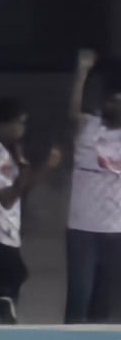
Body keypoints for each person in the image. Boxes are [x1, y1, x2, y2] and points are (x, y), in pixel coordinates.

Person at [0, 101, 56, 323]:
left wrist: (36, 168)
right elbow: (7, 198)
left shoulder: (4, 154)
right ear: (4, 125)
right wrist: (36, 170)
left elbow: (22, 186)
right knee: (13, 274)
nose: (22, 130)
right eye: (19, 123)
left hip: (4, 231)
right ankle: (2, 309)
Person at [64, 49, 121, 324]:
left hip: (115, 230)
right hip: (82, 228)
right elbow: (74, 112)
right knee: (79, 296)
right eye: (111, 101)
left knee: (104, 301)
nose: (113, 106)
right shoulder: (90, 125)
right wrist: (82, 73)